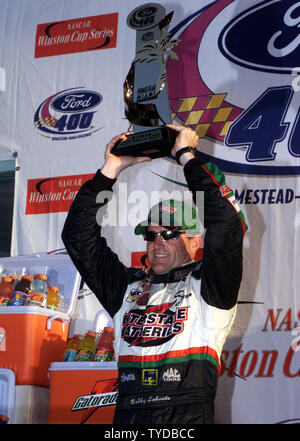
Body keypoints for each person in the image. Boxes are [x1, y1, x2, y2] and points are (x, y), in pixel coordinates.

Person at [62, 123, 247, 424]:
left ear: (195, 241)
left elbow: (226, 225)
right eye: (151, 235)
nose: (158, 243)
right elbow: (77, 238)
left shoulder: (210, 285)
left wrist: (186, 156)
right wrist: (110, 170)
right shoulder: (127, 287)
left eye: (171, 233)